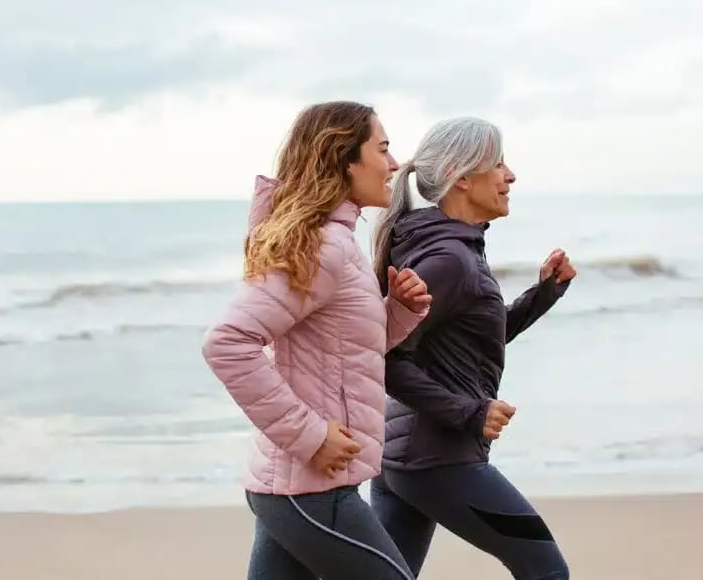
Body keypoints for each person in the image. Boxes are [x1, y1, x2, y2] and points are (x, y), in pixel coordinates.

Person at [201, 101, 432, 580]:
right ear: (345, 160)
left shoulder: (337, 242)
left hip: (301, 486)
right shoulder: (325, 246)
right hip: (308, 488)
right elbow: (228, 344)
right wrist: (307, 435)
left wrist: (399, 312)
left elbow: (343, 352)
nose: (394, 164)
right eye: (383, 149)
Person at [369, 117, 578, 580]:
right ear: (462, 177)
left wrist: (541, 295)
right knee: (546, 570)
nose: (511, 175)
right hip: (435, 457)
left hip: (407, 456)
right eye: (498, 163)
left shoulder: (454, 249)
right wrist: (470, 412)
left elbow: (465, 343)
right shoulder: (449, 259)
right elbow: (381, 359)